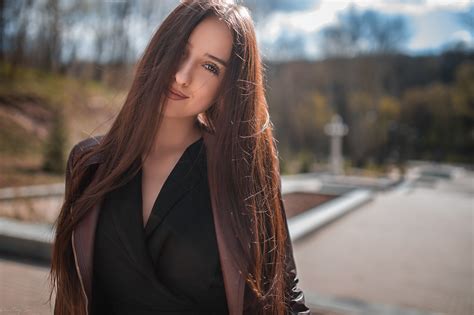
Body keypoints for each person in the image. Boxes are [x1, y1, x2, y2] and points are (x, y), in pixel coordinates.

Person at [48, 0, 310, 314]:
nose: (183, 76)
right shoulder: (89, 163)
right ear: (159, 49)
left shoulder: (244, 174)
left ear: (227, 86)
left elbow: (285, 297)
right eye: (181, 51)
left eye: (210, 67)